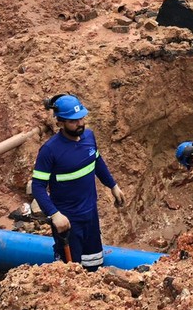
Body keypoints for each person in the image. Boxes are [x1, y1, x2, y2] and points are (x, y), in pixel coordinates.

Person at [31, 94, 125, 270]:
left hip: (90, 215)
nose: (80, 123)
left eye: (81, 118)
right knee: (70, 270)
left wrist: (113, 185)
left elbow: (97, 162)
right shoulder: (50, 151)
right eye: (73, 121)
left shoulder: (89, 137)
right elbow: (38, 186)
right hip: (68, 220)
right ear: (60, 123)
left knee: (94, 262)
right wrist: (55, 215)